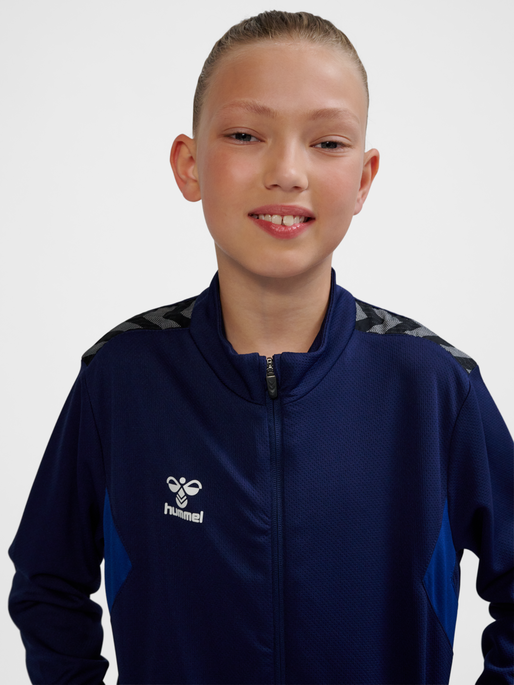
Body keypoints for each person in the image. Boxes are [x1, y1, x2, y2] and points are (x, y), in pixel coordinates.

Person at [8, 10, 513, 685]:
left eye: (327, 142)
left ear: (364, 179)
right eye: (246, 135)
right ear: (190, 165)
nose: (287, 171)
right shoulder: (122, 379)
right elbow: (47, 582)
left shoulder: (434, 387)